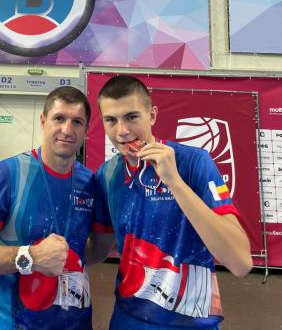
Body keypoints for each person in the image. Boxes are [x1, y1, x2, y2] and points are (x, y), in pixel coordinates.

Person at [89, 75, 253, 330]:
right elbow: (97, 249)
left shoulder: (194, 162)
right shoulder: (107, 174)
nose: (122, 131)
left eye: (131, 117)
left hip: (192, 323)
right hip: (127, 319)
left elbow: (241, 263)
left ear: (152, 115)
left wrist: (174, 182)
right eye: (111, 120)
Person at [0, 86, 96, 330]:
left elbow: (89, 250)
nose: (67, 130)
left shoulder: (89, 181)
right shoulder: (7, 174)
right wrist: (31, 257)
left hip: (78, 323)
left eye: (77, 122)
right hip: (16, 323)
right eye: (59, 118)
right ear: (43, 121)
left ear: (86, 129)